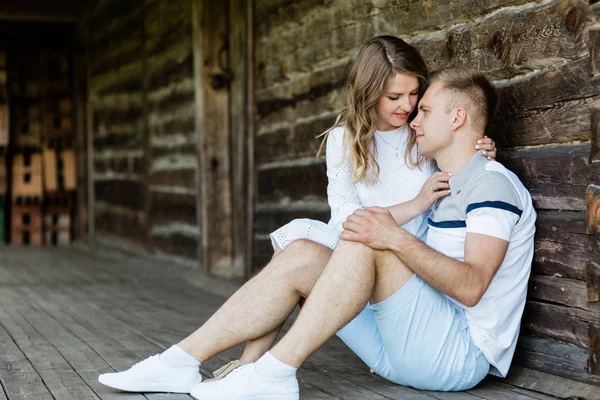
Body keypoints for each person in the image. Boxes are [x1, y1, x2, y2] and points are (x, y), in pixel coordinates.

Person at [97, 37, 500, 395]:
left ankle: (250, 367)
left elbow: (458, 157)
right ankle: (194, 362)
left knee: (307, 246)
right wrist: (412, 205)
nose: (407, 107)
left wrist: (480, 149)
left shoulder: (423, 135)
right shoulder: (345, 141)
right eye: (394, 97)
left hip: (406, 281)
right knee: (299, 245)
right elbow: (346, 220)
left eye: (414, 94)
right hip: (356, 269)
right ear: (368, 93)